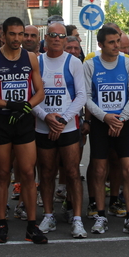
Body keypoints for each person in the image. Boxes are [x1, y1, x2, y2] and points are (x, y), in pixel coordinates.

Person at [0, 17, 47, 245]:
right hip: (1, 122)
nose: (18, 39)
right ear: (3, 35)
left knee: (28, 173)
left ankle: (32, 226)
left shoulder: (31, 58)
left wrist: (26, 106)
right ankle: (1, 222)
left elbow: (40, 92)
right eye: (13, 34)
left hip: (24, 121)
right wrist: (9, 104)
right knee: (2, 173)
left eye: (21, 34)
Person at [82, 26, 129, 236]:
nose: (116, 46)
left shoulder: (128, 63)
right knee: (99, 170)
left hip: (123, 121)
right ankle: (100, 215)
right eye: (111, 42)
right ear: (100, 45)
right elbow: (86, 96)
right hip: (102, 122)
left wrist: (121, 119)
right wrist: (105, 117)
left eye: (118, 41)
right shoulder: (90, 65)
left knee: (128, 169)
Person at [34, 22, 88, 238]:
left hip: (68, 127)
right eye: (52, 35)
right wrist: (46, 117)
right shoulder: (36, 62)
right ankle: (48, 216)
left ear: (66, 40)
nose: (56, 38)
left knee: (73, 172)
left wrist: (62, 120)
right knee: (46, 173)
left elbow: (82, 96)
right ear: (46, 38)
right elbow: (31, 95)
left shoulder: (74, 62)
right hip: (42, 126)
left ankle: (77, 218)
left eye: (60, 36)